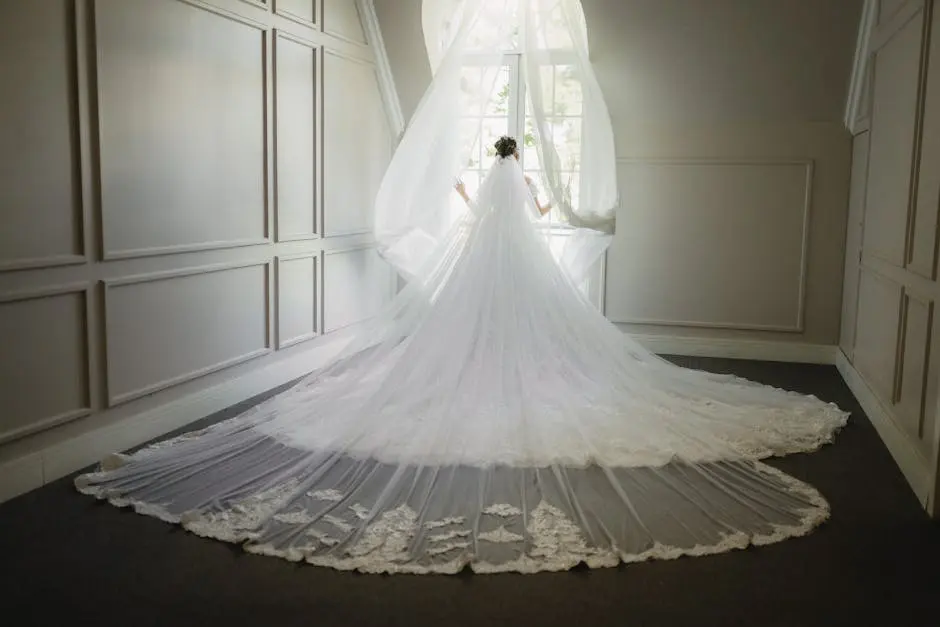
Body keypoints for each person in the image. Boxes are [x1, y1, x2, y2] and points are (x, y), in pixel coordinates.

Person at [76, 136, 848, 575]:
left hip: (491, 270)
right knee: (537, 342)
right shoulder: (520, 185)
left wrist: (457, 183)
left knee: (473, 340)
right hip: (518, 268)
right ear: (521, 156)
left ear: (493, 156)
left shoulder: (489, 186)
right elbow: (540, 214)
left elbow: (473, 216)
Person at [455, 137, 552, 215]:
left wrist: (463, 194)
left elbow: (479, 212)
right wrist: (555, 201)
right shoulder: (526, 181)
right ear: (516, 157)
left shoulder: (492, 182)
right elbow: (538, 214)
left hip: (491, 231)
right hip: (517, 232)